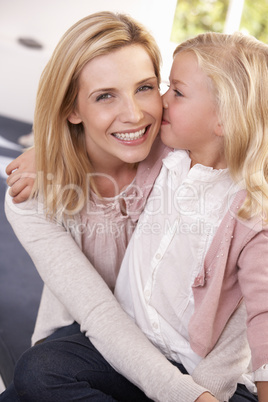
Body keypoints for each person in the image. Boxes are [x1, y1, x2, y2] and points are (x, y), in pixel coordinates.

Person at [1, 13, 252, 402]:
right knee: (34, 379)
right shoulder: (32, 197)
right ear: (73, 109)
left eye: (146, 88)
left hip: (193, 353)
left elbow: (247, 136)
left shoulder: (181, 152)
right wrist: (48, 152)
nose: (136, 115)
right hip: (92, 333)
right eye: (105, 96)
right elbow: (100, 315)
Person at [114, 31, 268, 401]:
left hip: (186, 367)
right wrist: (43, 155)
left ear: (226, 118)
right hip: (122, 342)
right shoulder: (161, 151)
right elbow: (97, 142)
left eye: (177, 92)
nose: (161, 99)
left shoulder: (251, 211)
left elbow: (264, 313)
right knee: (42, 369)